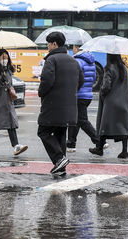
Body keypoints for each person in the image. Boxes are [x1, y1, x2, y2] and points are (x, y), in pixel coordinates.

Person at [37, 31, 84, 176]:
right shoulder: (73, 61)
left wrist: (41, 93)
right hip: (69, 104)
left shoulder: (51, 60)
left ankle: (59, 159)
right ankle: (61, 167)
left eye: (48, 44)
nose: (47, 47)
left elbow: (47, 81)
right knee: (60, 133)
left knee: (43, 131)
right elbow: (80, 81)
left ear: (54, 44)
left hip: (52, 104)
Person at [0, 49, 28, 158]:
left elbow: (9, 84)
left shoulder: (8, 70)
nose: (5, 60)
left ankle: (16, 146)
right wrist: (0, 82)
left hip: (6, 101)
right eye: (3, 58)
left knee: (10, 122)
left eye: (6, 57)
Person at [89, 54, 128, 159]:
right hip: (124, 102)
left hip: (111, 103)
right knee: (123, 127)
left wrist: (102, 92)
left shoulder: (109, 68)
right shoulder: (124, 68)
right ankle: (124, 151)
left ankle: (99, 148)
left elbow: (106, 86)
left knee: (104, 125)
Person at [67, 46, 99, 152]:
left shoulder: (77, 61)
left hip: (79, 95)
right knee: (75, 119)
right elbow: (94, 78)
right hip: (88, 94)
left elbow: (74, 78)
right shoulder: (91, 61)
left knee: (82, 120)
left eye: (73, 47)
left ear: (77, 48)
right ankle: (71, 143)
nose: (73, 49)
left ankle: (98, 141)